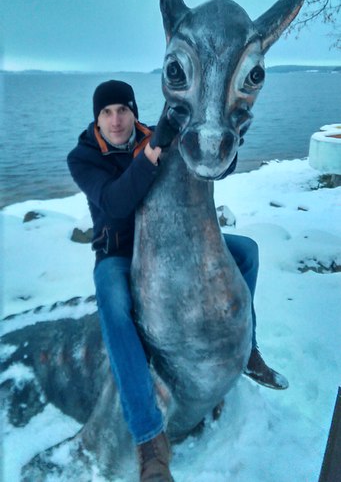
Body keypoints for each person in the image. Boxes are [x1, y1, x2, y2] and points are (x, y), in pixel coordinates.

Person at [67, 79, 288, 482]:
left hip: (174, 242)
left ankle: (250, 349)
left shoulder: (159, 135)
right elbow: (116, 202)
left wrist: (231, 140)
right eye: (107, 113)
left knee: (246, 252)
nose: (116, 120)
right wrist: (152, 153)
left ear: (134, 111)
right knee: (114, 304)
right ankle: (149, 437)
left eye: (123, 110)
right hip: (118, 252)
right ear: (96, 119)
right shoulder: (83, 158)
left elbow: (206, 166)